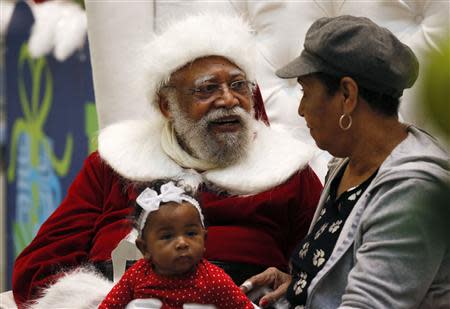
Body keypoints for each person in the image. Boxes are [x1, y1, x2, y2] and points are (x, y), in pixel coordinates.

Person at [12, 13, 323, 307]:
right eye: (208, 88)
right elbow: (38, 268)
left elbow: (328, 267)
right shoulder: (112, 166)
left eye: (239, 85)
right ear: (166, 105)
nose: (229, 100)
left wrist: (294, 283)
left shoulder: (288, 172)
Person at [240, 15, 450, 308]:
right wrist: (302, 284)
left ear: (347, 95)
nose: (300, 110)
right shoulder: (347, 166)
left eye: (305, 91)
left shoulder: (412, 192)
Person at [99, 181, 254, 309]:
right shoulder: (137, 275)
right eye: (167, 236)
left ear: (204, 239)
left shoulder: (214, 279)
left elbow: (244, 307)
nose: (182, 243)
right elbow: (109, 306)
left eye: (191, 234)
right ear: (145, 248)